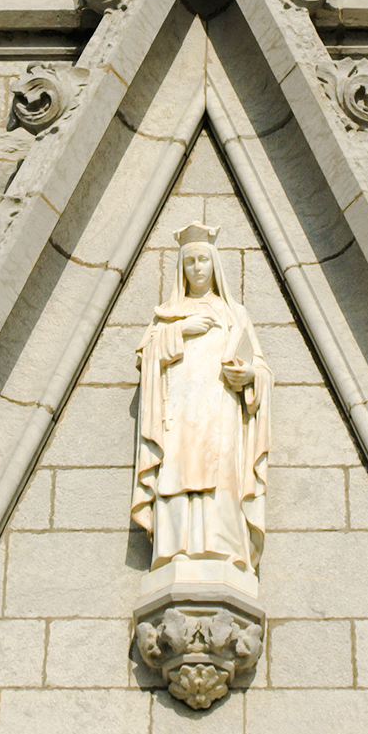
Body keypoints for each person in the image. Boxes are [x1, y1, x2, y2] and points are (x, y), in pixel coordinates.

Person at [132, 222, 271, 573]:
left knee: (222, 474)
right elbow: (146, 357)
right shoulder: (166, 316)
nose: (196, 268)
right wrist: (180, 330)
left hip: (221, 414)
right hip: (177, 415)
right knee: (176, 473)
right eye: (189, 262)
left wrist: (250, 377)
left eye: (202, 261)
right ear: (181, 268)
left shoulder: (233, 314)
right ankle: (175, 550)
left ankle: (224, 551)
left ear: (214, 265)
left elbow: (261, 367)